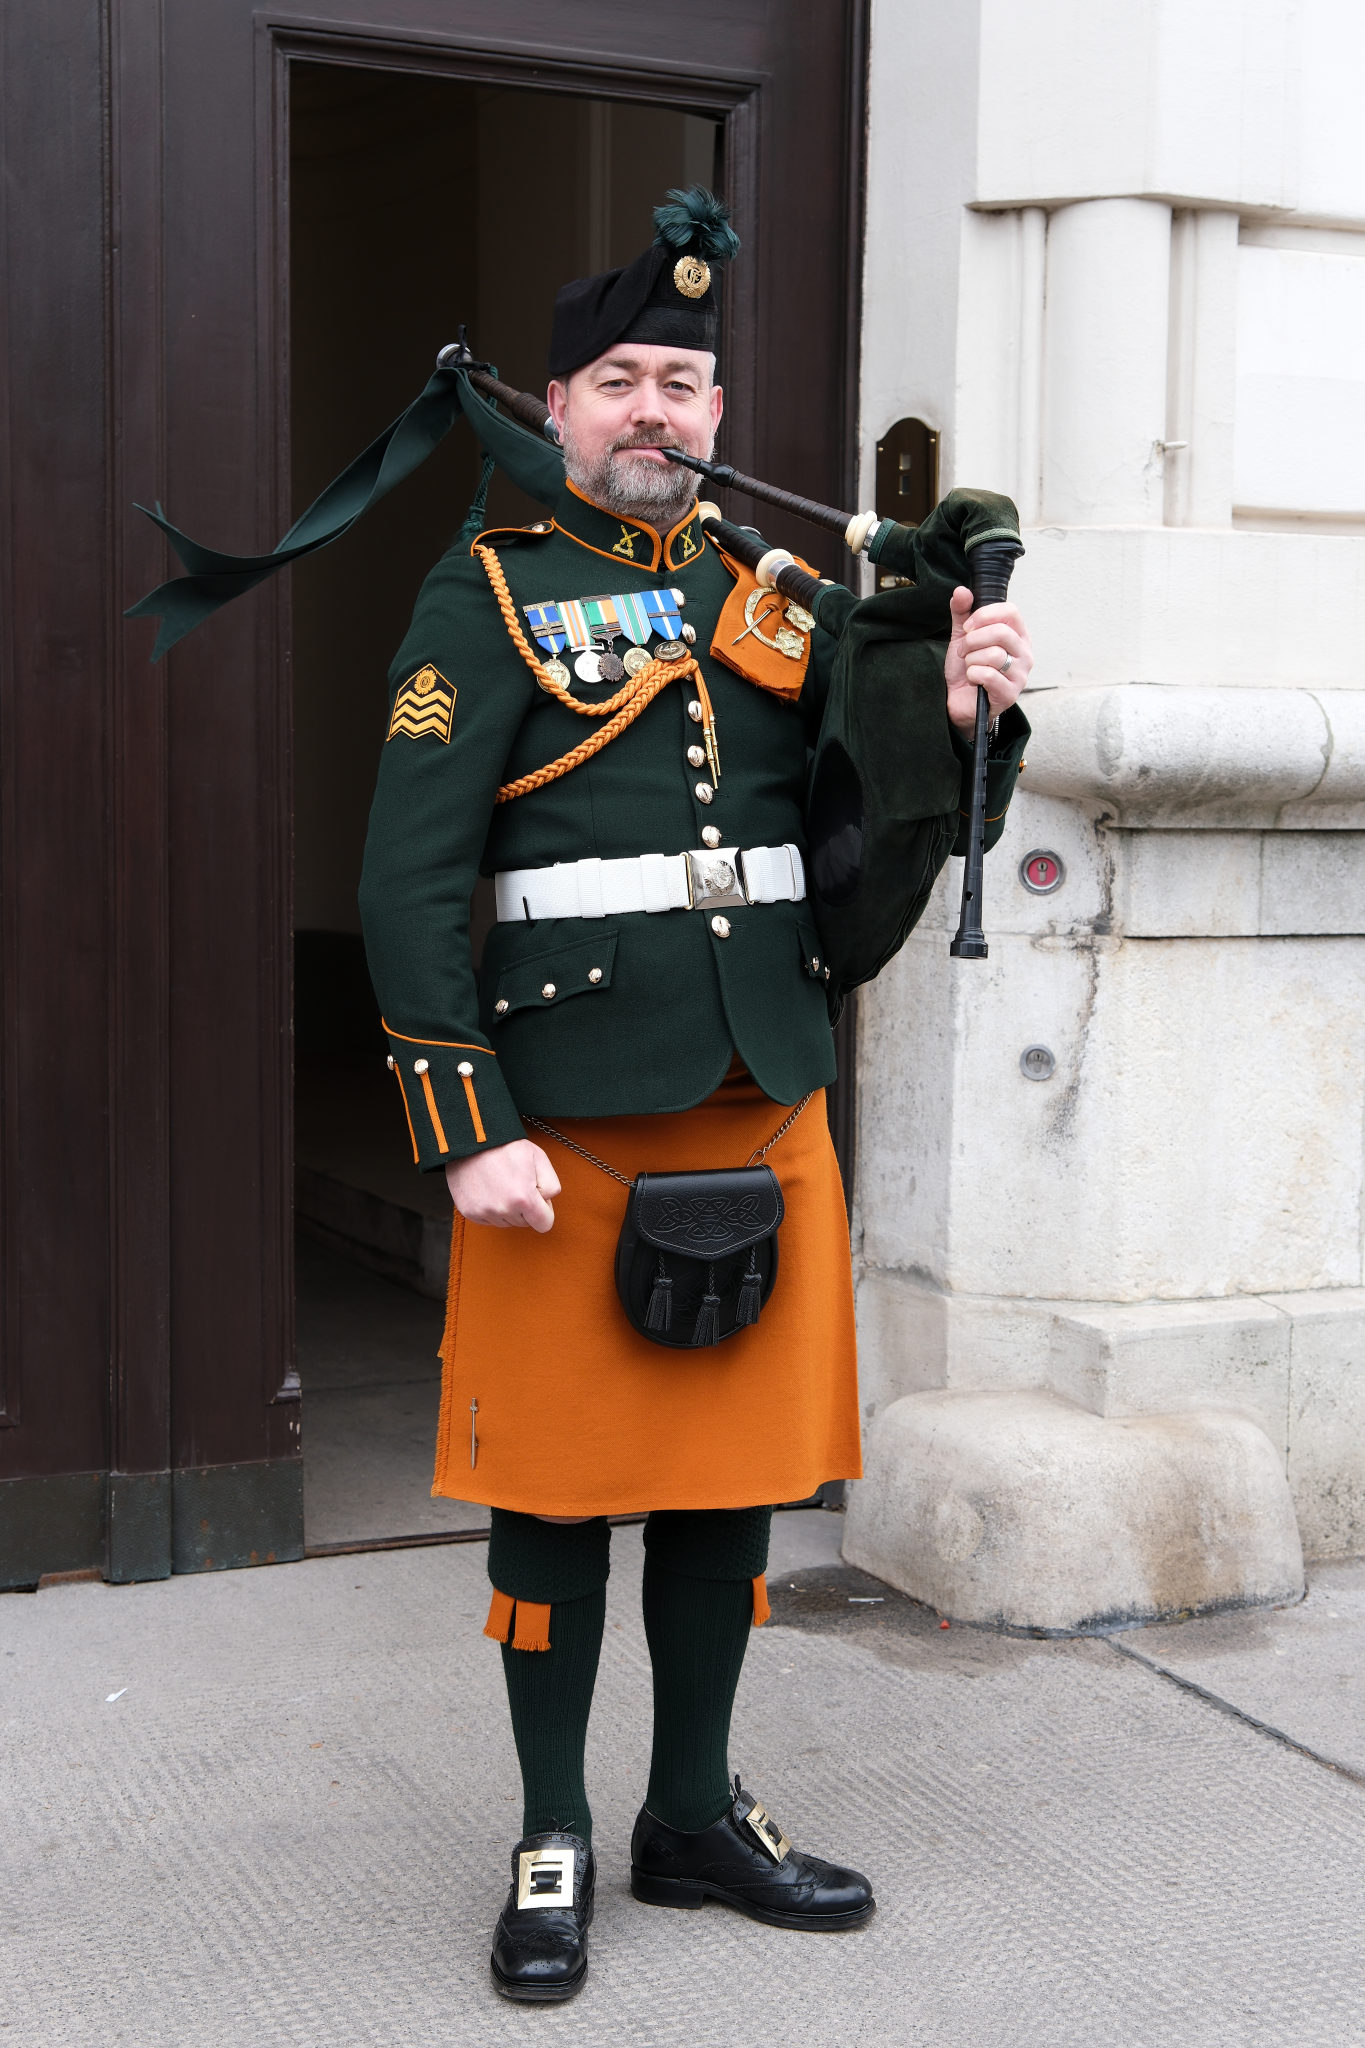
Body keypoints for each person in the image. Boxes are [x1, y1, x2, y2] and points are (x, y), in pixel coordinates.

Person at [358, 189, 1032, 2004]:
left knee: (729, 1495)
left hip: (760, 1094)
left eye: (681, 383)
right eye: (619, 382)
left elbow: (845, 829)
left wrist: (950, 717)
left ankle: (691, 1813)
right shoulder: (487, 593)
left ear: (716, 412)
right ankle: (552, 1831)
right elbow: (407, 879)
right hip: (566, 1121)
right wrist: (462, 1123)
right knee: (554, 1504)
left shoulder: (772, 597)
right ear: (558, 407)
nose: (654, 410)